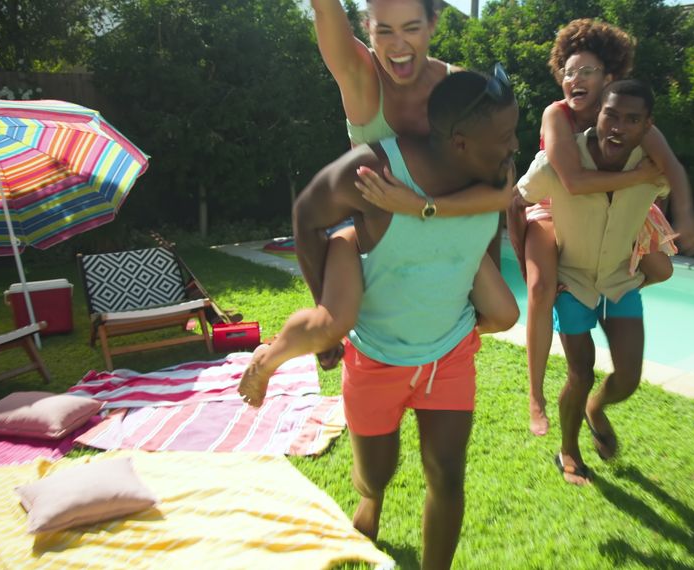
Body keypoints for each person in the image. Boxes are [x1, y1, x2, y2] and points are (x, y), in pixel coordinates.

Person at [244, 70, 519, 568]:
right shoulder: (375, 170)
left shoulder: (494, 169)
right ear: (460, 142)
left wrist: (427, 213)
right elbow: (307, 215)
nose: (514, 146)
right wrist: (328, 305)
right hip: (376, 354)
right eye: (506, 136)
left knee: (447, 475)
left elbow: (487, 231)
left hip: (448, 355)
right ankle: (272, 363)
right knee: (376, 474)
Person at [304, 0, 518, 370]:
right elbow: (324, 9)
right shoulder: (359, 74)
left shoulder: (459, 88)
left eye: (411, 28)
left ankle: (444, 343)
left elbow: (501, 190)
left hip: (446, 238)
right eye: (385, 30)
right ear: (368, 29)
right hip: (380, 244)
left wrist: (422, 206)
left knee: (504, 315)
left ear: (432, 23)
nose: (398, 43)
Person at [509, 79, 669, 485]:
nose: (618, 126)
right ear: (598, 114)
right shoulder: (559, 155)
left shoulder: (651, 165)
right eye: (611, 115)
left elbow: (662, 192)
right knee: (580, 371)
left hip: (618, 274)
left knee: (628, 379)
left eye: (631, 120)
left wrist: (639, 227)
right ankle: (569, 449)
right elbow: (519, 198)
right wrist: (524, 256)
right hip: (572, 273)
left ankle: (595, 408)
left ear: (646, 125)